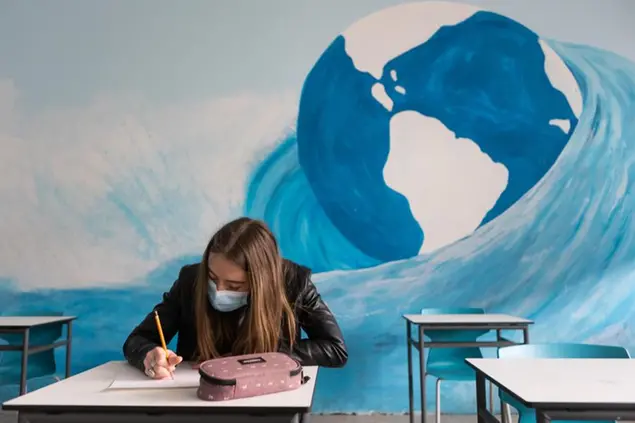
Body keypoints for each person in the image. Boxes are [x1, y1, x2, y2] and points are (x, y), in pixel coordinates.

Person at [123, 216, 348, 379]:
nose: (218, 290)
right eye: (212, 277)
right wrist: (149, 355)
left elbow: (335, 350)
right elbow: (138, 340)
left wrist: (254, 358)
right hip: (196, 396)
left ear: (262, 281)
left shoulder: (294, 282)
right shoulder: (190, 280)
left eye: (234, 285)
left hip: (264, 396)